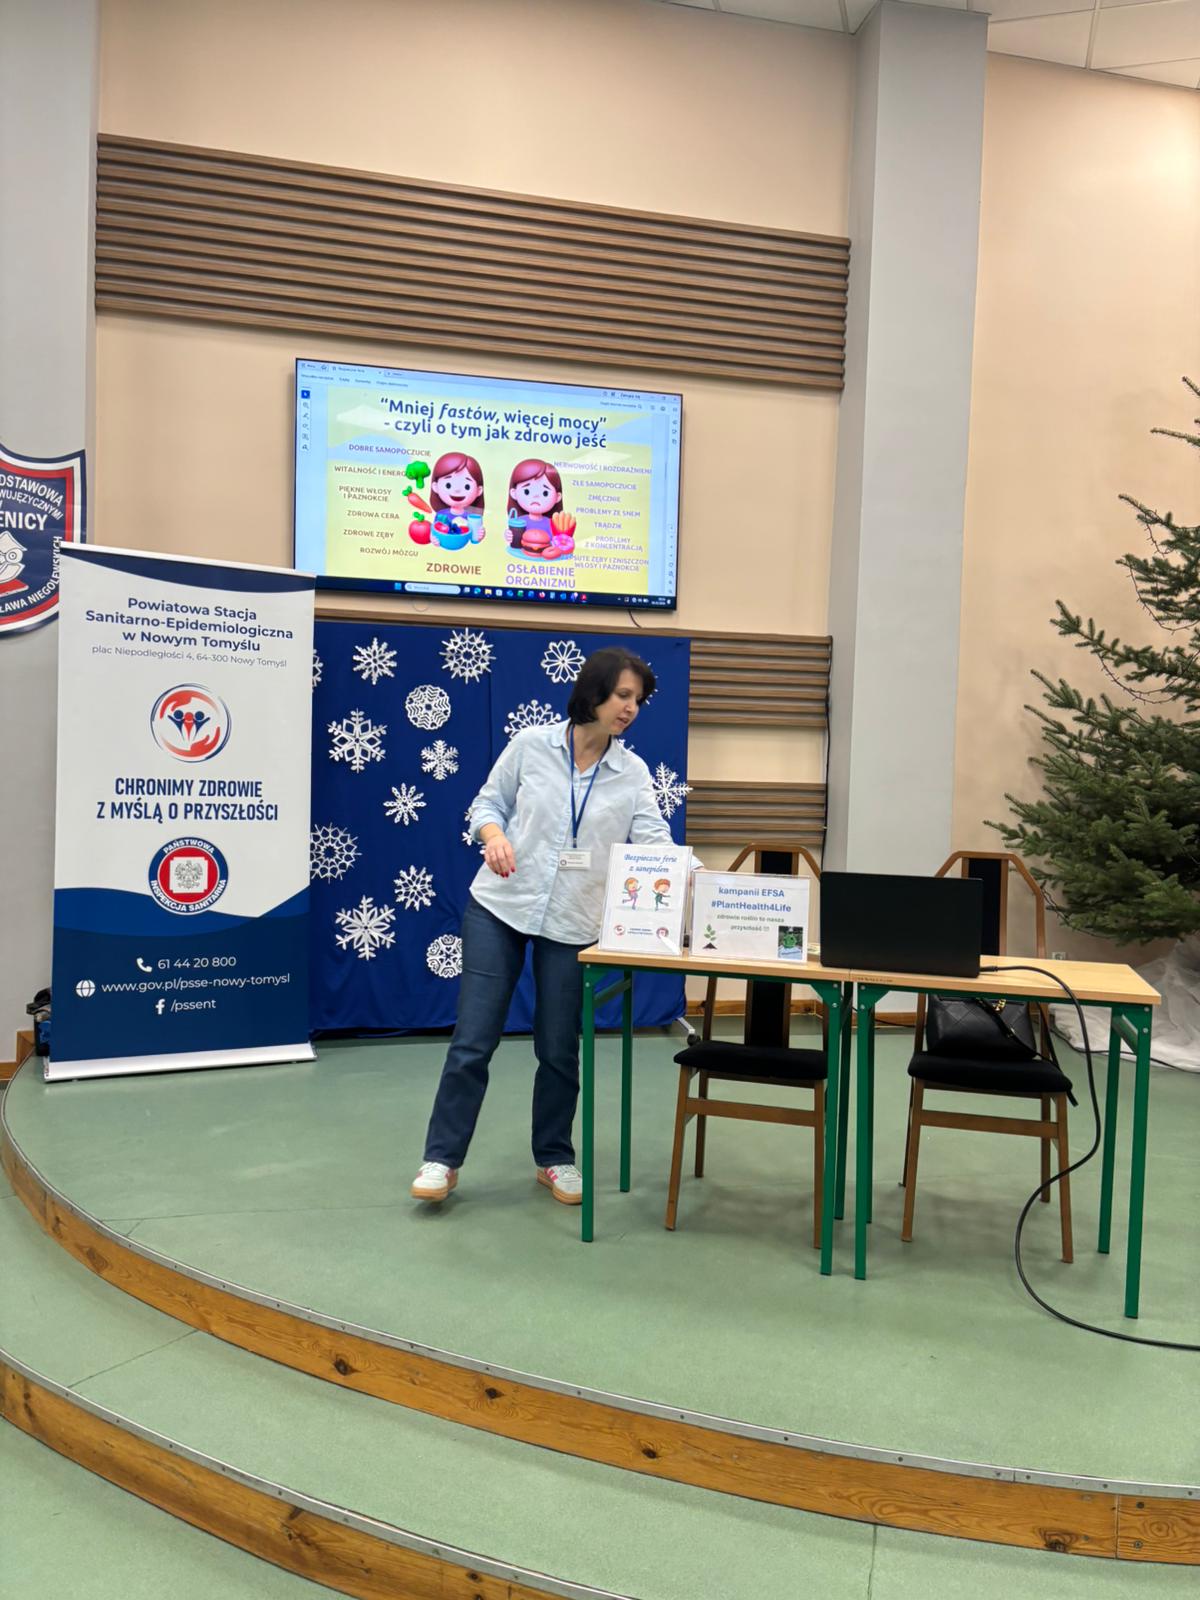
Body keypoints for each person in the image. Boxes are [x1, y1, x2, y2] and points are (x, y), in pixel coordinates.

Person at [411, 647, 673, 1206]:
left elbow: (655, 842)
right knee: (473, 1041)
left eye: (638, 700)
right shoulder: (531, 745)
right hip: (500, 905)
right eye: (623, 695)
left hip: (573, 919)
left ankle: (554, 1158)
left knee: (559, 1048)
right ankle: (441, 1160)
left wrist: (693, 876)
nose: (631, 708)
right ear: (594, 692)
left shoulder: (632, 773)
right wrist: (493, 837)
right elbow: (486, 805)